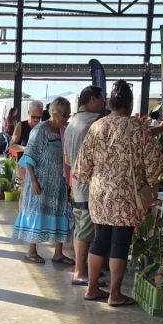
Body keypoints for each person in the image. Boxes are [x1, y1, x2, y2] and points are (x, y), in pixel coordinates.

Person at [76, 80, 163, 307]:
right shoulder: (138, 128)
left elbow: (82, 166)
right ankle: (114, 294)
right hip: (127, 194)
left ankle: (92, 288)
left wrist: (95, 178)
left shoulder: (97, 126)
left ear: (109, 104)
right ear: (131, 104)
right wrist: (152, 184)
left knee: (99, 239)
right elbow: (153, 163)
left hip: (99, 193)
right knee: (120, 243)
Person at [14, 97, 72, 264]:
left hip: (58, 183)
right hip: (40, 181)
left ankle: (58, 253)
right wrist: (33, 180)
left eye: (68, 114)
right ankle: (31, 251)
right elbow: (29, 155)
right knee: (37, 212)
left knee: (60, 212)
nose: (66, 118)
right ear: (54, 113)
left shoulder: (63, 130)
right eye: (64, 114)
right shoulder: (41, 129)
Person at [63, 85, 105, 286]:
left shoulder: (72, 123)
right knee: (85, 231)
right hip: (91, 185)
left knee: (81, 228)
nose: (104, 103)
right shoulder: (94, 121)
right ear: (93, 99)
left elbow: (66, 159)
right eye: (102, 99)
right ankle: (80, 272)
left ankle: (84, 269)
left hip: (77, 184)